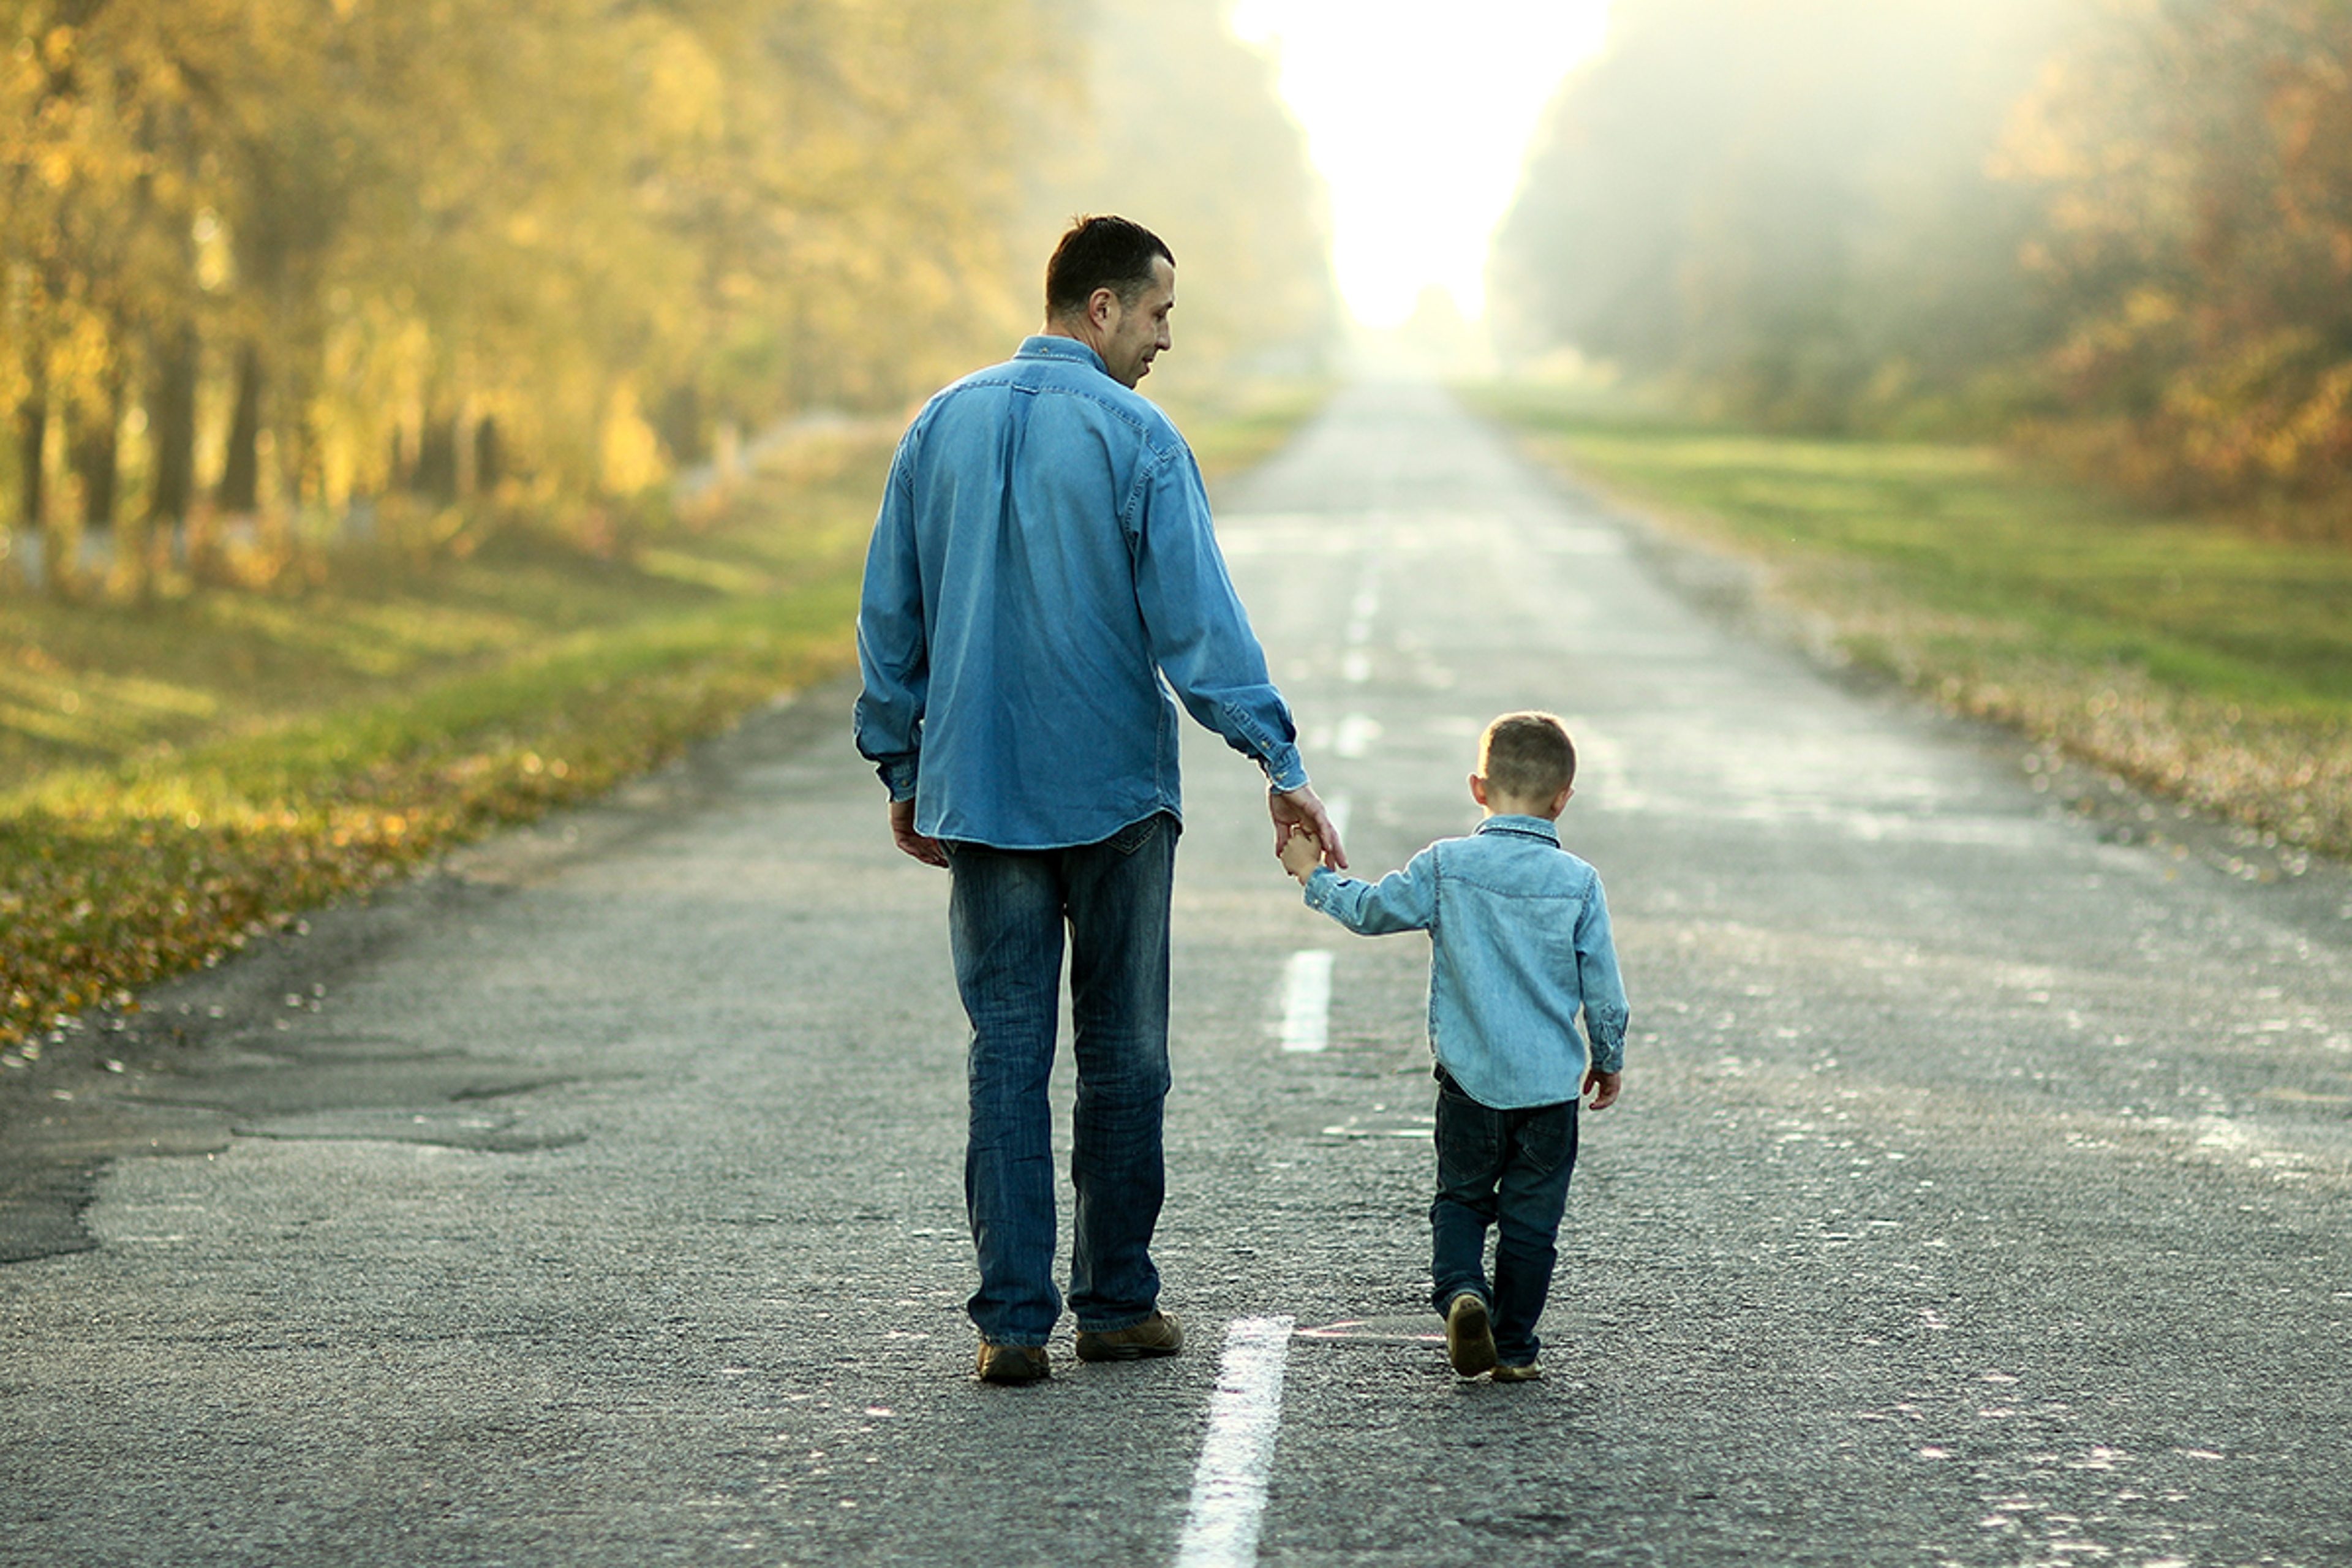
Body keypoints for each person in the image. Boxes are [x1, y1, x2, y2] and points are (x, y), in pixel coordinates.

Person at [854, 214, 1347, 1385]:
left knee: (1006, 1056)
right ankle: (1118, 1304)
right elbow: (1198, 630)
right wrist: (1277, 760)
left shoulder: (938, 425)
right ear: (1102, 309)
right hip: (1118, 799)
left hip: (978, 795)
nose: (1167, 339)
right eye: (1161, 312)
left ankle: (1012, 1324)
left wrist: (901, 765)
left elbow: (891, 616)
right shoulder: (1141, 439)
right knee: (1126, 1057)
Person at [1277, 710, 1626, 1382]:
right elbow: (1605, 993)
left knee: (1463, 1198)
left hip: (1468, 1081)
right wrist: (1606, 1057)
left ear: (1478, 788)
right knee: (1532, 1221)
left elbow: (1373, 910)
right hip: (1551, 1089)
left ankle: (1463, 1292)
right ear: (1563, 799)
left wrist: (1312, 876)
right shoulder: (1580, 883)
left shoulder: (1446, 865)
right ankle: (1516, 1348)